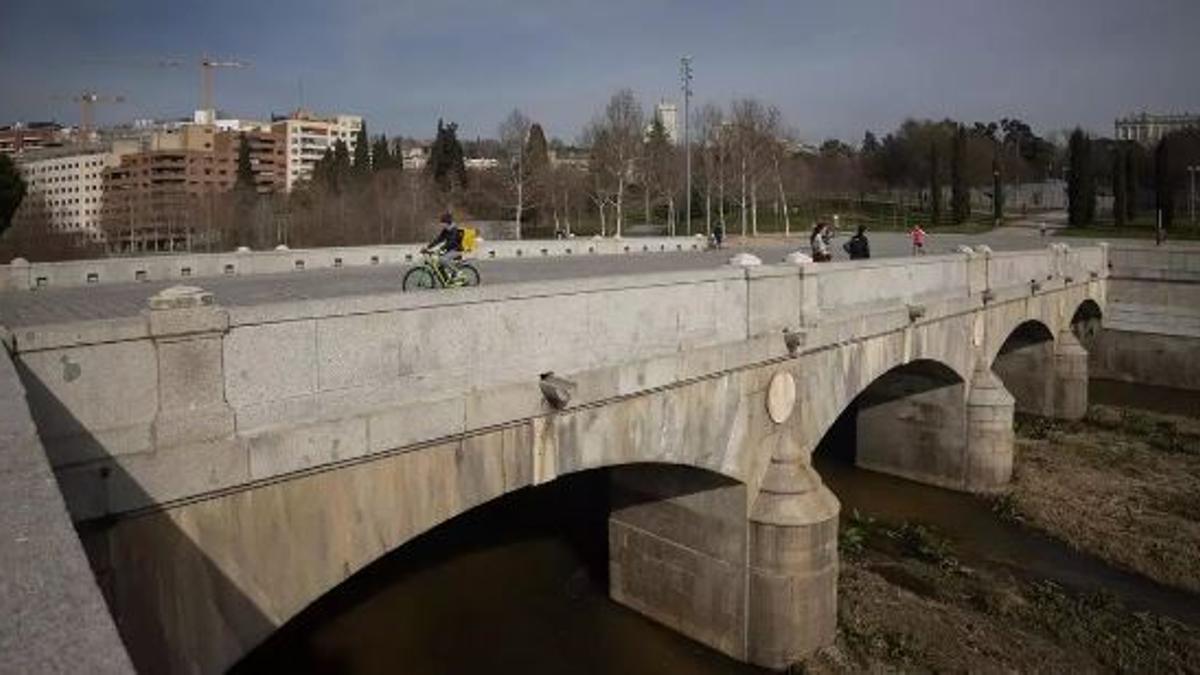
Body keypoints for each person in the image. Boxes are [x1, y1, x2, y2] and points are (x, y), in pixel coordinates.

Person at [424, 212, 465, 279]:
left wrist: (441, 248)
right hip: (450, 249)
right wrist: (428, 247)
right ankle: (446, 278)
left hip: (457, 250)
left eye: (443, 223)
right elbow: (438, 239)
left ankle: (457, 272)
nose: (441, 225)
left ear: (447, 223)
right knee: (438, 262)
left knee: (443, 259)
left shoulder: (454, 230)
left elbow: (451, 242)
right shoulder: (446, 230)